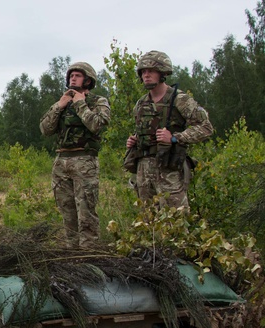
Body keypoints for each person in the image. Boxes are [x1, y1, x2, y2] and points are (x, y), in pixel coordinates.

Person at [125, 50, 213, 210]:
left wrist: (174, 138)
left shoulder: (180, 99)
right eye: (143, 72)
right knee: (147, 220)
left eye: (151, 71)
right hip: (143, 171)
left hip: (168, 168)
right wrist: (135, 140)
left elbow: (206, 127)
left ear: (162, 72)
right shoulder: (141, 103)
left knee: (176, 218)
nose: (146, 75)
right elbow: (145, 129)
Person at [39, 61, 110, 249]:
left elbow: (97, 125)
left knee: (86, 212)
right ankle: (72, 253)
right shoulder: (63, 103)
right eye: (71, 75)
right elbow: (45, 129)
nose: (73, 78)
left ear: (88, 80)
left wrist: (80, 103)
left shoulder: (98, 102)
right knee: (67, 212)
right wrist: (59, 106)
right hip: (61, 161)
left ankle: (88, 253)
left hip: (85, 161)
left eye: (77, 75)